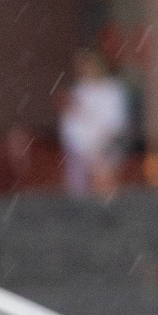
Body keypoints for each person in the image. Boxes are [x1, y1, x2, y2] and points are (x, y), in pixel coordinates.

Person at [59, 47, 129, 203]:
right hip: (80, 152)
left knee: (103, 186)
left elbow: (114, 124)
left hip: (105, 148)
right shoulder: (77, 91)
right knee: (79, 194)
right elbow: (70, 128)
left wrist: (98, 149)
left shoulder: (112, 90)